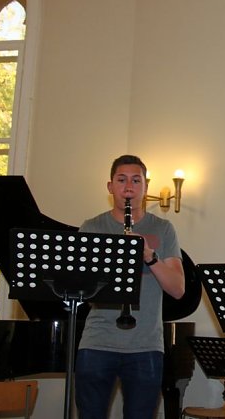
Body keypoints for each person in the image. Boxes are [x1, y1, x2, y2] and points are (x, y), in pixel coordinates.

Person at [75, 154, 186, 419]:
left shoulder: (163, 229)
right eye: (121, 180)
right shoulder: (92, 227)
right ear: (110, 186)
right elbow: (79, 285)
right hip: (97, 342)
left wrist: (149, 256)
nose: (128, 187)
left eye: (136, 181)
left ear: (145, 187)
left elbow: (178, 289)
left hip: (145, 344)